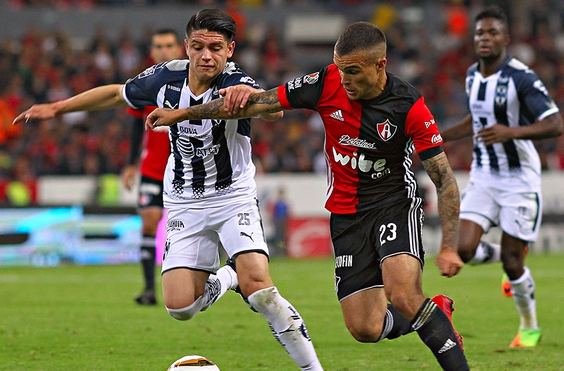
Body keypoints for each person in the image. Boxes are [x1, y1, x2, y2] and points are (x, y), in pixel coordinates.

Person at [146, 21, 469, 371]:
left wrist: (450, 246)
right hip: (347, 215)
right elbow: (265, 102)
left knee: (403, 294)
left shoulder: (409, 106)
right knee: (365, 328)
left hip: (393, 205)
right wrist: (184, 113)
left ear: (380, 65)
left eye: (354, 72)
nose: (344, 79)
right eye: (341, 68)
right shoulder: (326, 82)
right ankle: (435, 311)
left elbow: (445, 179)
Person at [13, 9, 324, 371]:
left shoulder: (237, 81)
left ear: (230, 50)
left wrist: (250, 96)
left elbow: (274, 113)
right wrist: (57, 107)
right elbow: (117, 94)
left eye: (216, 48)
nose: (207, 55)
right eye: (198, 46)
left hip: (232, 197)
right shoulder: (165, 78)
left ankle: (312, 368)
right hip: (183, 202)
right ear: (186, 47)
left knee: (262, 291)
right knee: (180, 308)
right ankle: (228, 276)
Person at [440, 5, 564, 348]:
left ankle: (529, 326)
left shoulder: (521, 77)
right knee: (463, 249)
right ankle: (506, 254)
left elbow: (556, 124)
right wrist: (439, 136)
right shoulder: (471, 75)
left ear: (506, 39)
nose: (485, 38)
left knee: (513, 264)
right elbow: (476, 119)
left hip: (519, 179)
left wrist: (511, 132)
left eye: (493, 33)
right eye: (480, 32)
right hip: (484, 174)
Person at [121, 28, 182, 306]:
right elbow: (135, 126)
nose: (164, 50)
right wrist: (131, 164)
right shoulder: (146, 84)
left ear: (179, 49)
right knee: (149, 220)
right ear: (152, 50)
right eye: (158, 46)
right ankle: (148, 288)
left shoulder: (191, 80)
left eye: (169, 45)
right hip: (153, 167)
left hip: (186, 167)